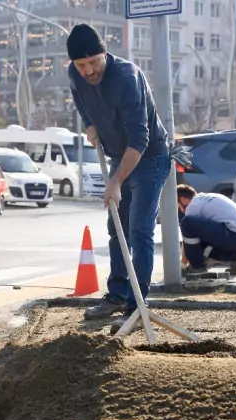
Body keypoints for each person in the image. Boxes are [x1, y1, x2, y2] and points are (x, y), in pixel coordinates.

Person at [66, 23, 170, 326]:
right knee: (117, 229)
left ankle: (137, 307)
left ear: (104, 54)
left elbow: (140, 139)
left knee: (139, 232)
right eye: (81, 65)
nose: (88, 71)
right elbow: (80, 100)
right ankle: (117, 294)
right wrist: (89, 123)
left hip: (149, 157)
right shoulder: (75, 74)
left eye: (93, 62)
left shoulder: (126, 77)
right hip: (118, 155)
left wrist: (115, 181)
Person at [176, 185, 236, 276]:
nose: (180, 210)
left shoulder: (193, 205)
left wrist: (182, 264)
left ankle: (197, 267)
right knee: (199, 244)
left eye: (178, 206)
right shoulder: (209, 198)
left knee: (187, 223)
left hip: (235, 234)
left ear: (183, 199)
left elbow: (187, 239)